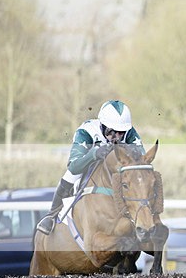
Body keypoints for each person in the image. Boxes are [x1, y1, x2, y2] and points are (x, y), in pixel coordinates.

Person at [36, 100, 145, 235]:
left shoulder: (129, 132)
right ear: (102, 125)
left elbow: (142, 158)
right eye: (113, 132)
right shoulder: (86, 132)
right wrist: (94, 154)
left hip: (119, 169)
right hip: (89, 166)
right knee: (70, 175)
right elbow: (74, 166)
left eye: (121, 132)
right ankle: (51, 216)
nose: (117, 136)